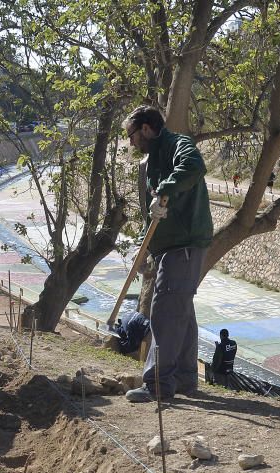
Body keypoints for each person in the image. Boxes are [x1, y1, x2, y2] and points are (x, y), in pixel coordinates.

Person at [122, 105, 213, 403]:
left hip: (184, 246)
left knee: (164, 312)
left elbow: (194, 167)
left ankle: (158, 384)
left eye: (132, 135)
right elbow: (156, 212)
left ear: (146, 128)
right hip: (169, 248)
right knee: (181, 312)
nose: (131, 142)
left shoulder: (178, 145)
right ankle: (186, 379)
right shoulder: (153, 160)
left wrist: (166, 189)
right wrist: (146, 248)